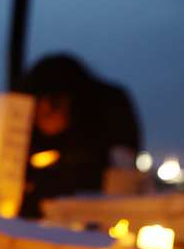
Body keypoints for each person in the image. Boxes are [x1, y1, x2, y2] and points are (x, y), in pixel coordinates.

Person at [16, 54, 141, 216]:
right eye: (37, 104)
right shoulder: (32, 139)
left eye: (53, 101)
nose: (44, 108)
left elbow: (124, 175)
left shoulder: (110, 117)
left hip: (101, 214)